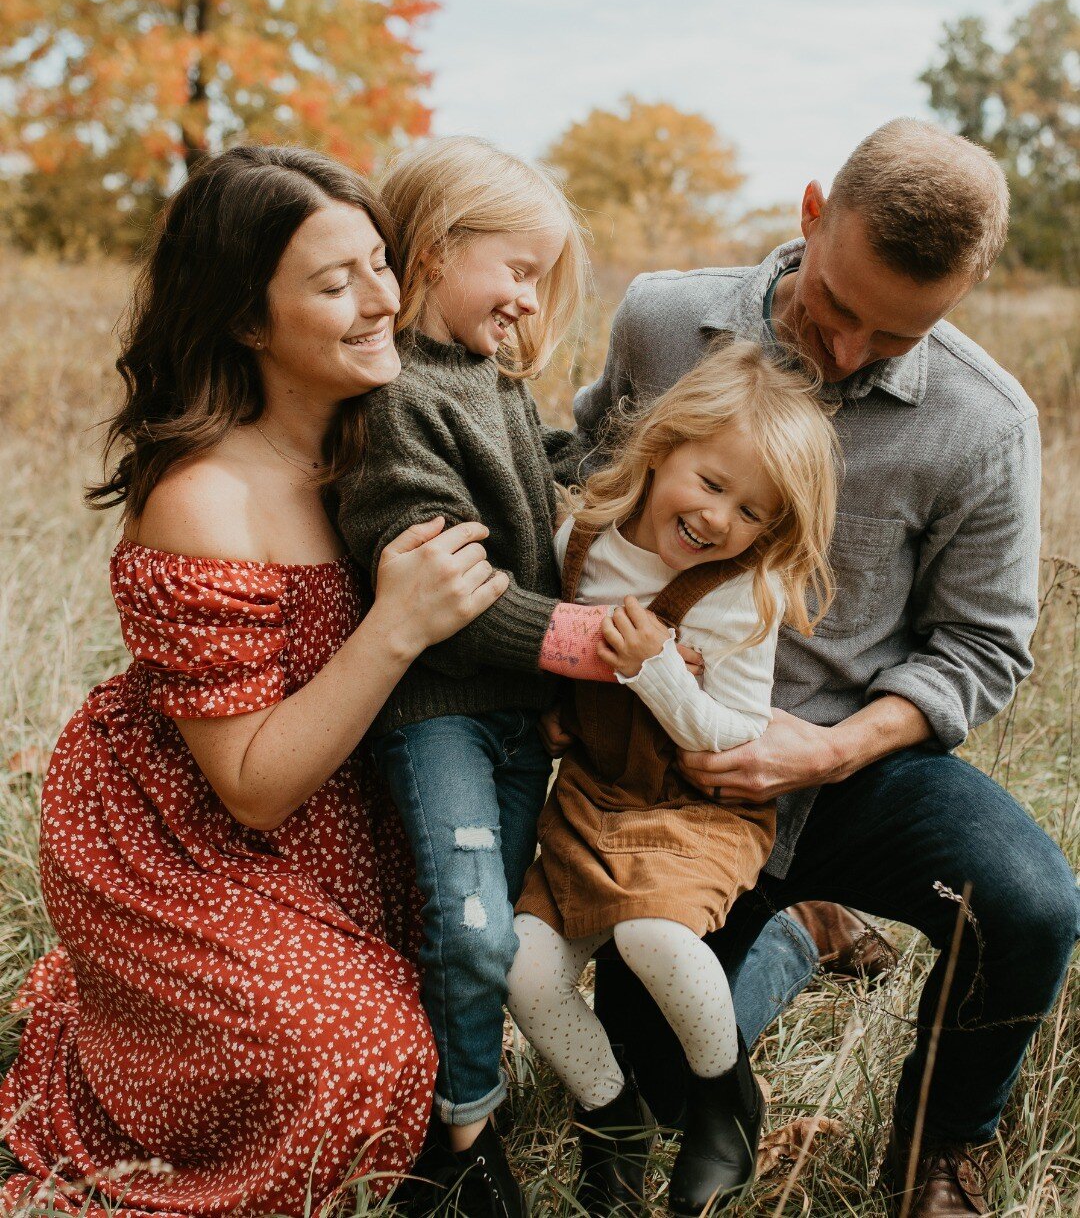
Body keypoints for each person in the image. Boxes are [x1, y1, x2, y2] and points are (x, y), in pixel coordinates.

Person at [574, 119, 1080, 1216]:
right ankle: (802, 932)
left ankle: (942, 1150)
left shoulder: (987, 424)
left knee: (1033, 906)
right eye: (838, 308)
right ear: (812, 214)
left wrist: (834, 746)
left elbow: (987, 647)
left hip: (849, 765)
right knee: (662, 1093)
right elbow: (583, 473)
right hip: (665, 776)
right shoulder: (665, 320)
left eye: (896, 334)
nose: (848, 351)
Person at [0, 145, 513, 1218]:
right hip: (192, 832)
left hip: (355, 807)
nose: (381, 300)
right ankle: (113, 1061)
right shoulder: (206, 499)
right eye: (335, 284)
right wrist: (394, 627)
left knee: (460, 996)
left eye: (381, 263)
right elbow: (251, 785)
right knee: (358, 1059)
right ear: (248, 320)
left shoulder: (388, 428)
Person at [506, 342, 838, 1214]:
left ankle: (725, 1104)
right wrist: (549, 706)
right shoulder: (578, 542)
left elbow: (735, 732)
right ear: (662, 448)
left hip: (697, 811)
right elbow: (543, 644)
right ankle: (610, 1117)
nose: (720, 518)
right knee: (523, 967)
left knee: (652, 937)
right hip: (590, 800)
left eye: (752, 512)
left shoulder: (740, 596)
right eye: (712, 482)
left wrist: (657, 672)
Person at [338, 136, 603, 1218]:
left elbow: (537, 460)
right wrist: (591, 646)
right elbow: (452, 587)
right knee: (474, 925)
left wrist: (631, 469)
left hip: (513, 719)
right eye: (519, 272)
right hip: (438, 714)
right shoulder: (396, 396)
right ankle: (456, 1141)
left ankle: (459, 1095)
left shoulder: (484, 378)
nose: (530, 304)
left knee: (491, 924)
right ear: (439, 252)